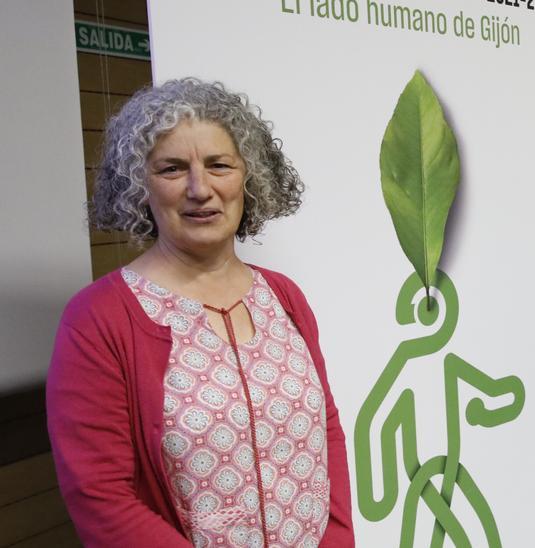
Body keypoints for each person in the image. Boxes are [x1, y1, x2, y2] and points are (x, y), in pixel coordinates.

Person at [46, 78, 355, 547]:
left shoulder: (283, 296)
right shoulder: (98, 319)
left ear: (248, 178)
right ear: (138, 186)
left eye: (219, 165)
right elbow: (100, 496)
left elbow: (324, 431)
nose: (200, 188)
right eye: (171, 169)